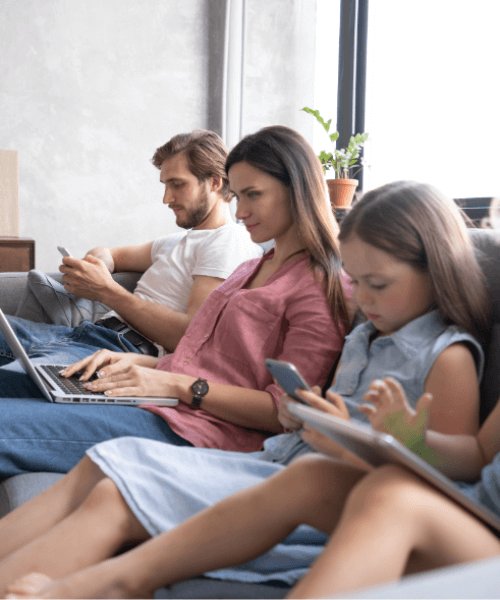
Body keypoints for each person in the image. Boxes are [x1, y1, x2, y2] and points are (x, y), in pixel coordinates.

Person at [0, 180, 490, 599]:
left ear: (435, 267)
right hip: (291, 460)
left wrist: (406, 437)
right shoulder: (367, 336)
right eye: (357, 283)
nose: (361, 299)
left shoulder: (447, 356)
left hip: (312, 474)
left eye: (377, 284)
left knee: (118, 488)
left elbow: (459, 464)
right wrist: (319, 418)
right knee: (113, 459)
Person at [0, 125, 350, 482]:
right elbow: (203, 357)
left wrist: (176, 385)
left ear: (298, 190)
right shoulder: (250, 268)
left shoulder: (320, 285)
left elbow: (285, 411)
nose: (241, 210)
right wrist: (143, 363)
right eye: (239, 195)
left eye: (253, 195)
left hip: (198, 431)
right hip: (163, 402)